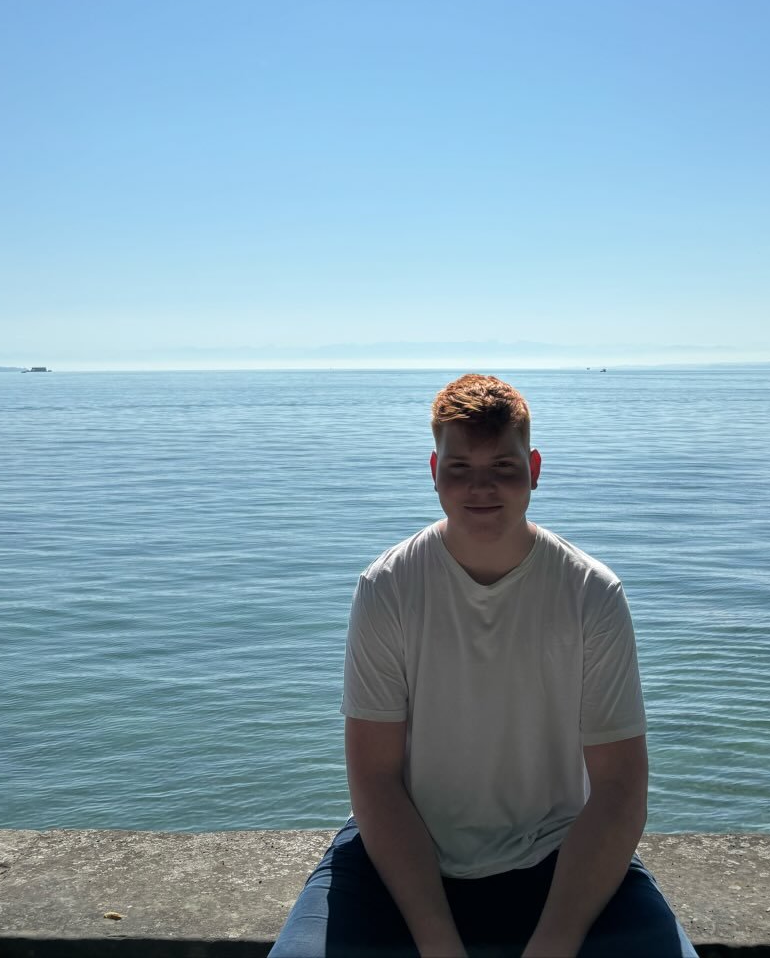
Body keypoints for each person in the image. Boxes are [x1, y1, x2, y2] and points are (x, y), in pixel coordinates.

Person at [271, 374, 697, 957]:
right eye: (459, 468)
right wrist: (437, 940)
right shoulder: (387, 588)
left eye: (502, 466)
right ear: (433, 471)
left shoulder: (591, 593)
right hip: (399, 857)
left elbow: (620, 788)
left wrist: (554, 942)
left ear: (534, 469)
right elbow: (374, 778)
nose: (481, 487)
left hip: (559, 854)